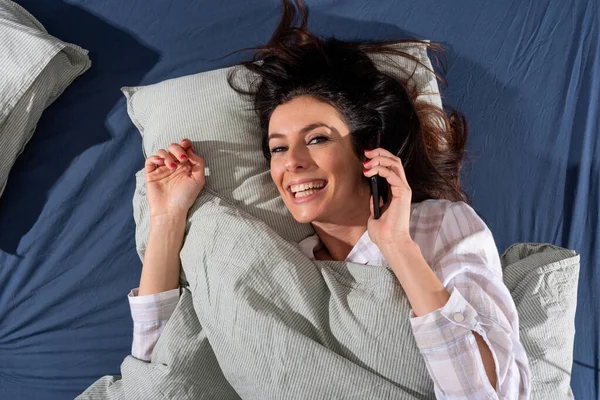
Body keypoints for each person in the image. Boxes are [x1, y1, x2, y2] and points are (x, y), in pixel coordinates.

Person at [130, 0, 531, 398]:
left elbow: (493, 392)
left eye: (317, 139)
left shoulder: (439, 226)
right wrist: (168, 217)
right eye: (278, 149)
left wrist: (397, 247)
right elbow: (167, 367)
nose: (294, 163)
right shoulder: (286, 264)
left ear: (366, 150)